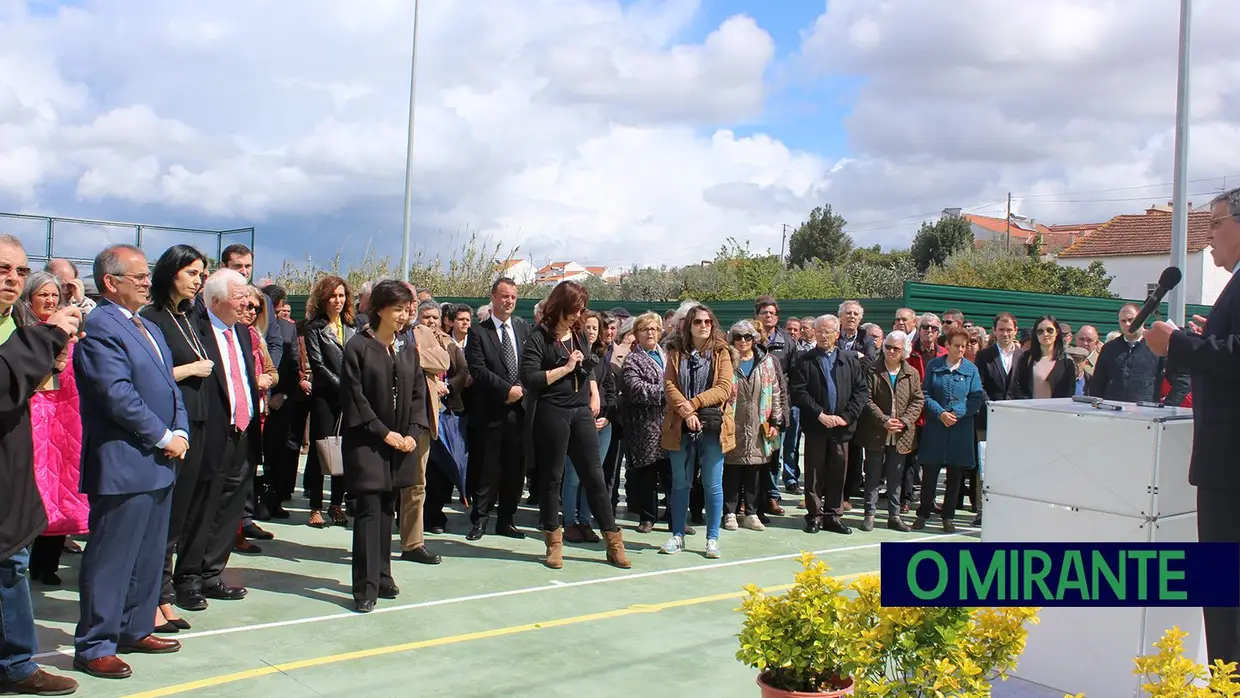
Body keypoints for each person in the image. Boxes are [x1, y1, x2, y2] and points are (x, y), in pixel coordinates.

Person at [73, 244, 189, 679]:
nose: (146, 281)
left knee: (148, 553)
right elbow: (116, 395)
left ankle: (135, 627)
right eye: (138, 276)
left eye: (147, 275)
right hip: (125, 462)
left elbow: (169, 388)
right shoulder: (101, 326)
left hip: (160, 460)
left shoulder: (148, 326)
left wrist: (179, 431)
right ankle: (95, 643)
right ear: (110, 282)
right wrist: (163, 436)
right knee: (112, 558)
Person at [1146, 185, 1240, 668]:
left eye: (1216, 223)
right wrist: (1207, 338)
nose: (1210, 237)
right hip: (1224, 463)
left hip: (1231, 469)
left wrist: (1181, 344)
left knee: (1227, 598)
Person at [0, 234, 82, 696]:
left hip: (14, 465)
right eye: (1, 270)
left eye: (18, 270)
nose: (12, 280)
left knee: (12, 565)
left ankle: (15, 663)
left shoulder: (14, 324)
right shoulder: (27, 331)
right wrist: (50, 336)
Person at [521, 280, 630, 570]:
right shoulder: (538, 337)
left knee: (594, 476)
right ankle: (554, 544)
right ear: (560, 307)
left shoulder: (579, 333)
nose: (578, 314)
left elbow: (589, 366)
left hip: (581, 411)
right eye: (574, 309)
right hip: (551, 411)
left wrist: (593, 390)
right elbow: (529, 378)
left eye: (581, 309)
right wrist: (565, 369)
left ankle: (613, 542)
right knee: (552, 478)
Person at [172, 269, 260, 612]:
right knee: (202, 505)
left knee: (230, 506)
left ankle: (211, 573)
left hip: (243, 431)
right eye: (239, 296)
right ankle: (188, 578)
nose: (247, 302)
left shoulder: (241, 332)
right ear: (216, 300)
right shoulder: (195, 329)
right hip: (210, 432)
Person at [341, 281, 431, 612]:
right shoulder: (358, 347)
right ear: (379, 310)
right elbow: (355, 398)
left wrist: (412, 431)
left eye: (408, 309)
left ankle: (382, 574)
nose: (405, 315)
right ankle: (364, 587)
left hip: (400, 444)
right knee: (368, 512)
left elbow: (418, 392)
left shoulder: (407, 348)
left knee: (386, 510)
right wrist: (383, 433)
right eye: (398, 309)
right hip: (367, 443)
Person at [141, 244, 212, 630]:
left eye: (201, 274)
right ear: (171, 273)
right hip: (168, 428)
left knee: (182, 516)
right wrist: (190, 370)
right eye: (192, 273)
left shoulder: (190, 316)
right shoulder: (151, 318)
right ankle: (153, 598)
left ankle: (165, 595)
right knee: (163, 520)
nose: (198, 280)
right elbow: (151, 374)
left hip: (197, 423)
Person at [22, 272, 88, 587]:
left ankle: (46, 562)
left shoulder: (71, 331)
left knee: (62, 490)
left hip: (66, 419)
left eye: (53, 296)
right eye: (42, 296)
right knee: (36, 488)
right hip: (36, 418)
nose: (49, 301)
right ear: (29, 299)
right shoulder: (25, 334)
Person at [789, 314, 868, 535]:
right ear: (814, 332)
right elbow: (799, 391)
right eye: (820, 331)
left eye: (829, 332)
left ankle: (833, 515)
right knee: (814, 473)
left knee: (837, 472)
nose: (824, 336)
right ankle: (814, 516)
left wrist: (846, 417)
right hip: (816, 426)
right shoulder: (804, 360)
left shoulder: (849, 360)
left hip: (841, 428)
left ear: (837, 334)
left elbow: (861, 392)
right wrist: (820, 415)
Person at [463, 278, 529, 541]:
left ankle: (507, 520)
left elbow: (531, 365)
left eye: (513, 296)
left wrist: (521, 388)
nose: (509, 301)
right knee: (486, 468)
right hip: (491, 411)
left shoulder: (524, 329)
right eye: (504, 296)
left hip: (520, 411)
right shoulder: (479, 332)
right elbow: (478, 370)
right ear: (493, 297)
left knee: (514, 469)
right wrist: (506, 390)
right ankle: (479, 520)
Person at [913, 325, 986, 534]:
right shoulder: (935, 366)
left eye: (964, 346)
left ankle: (948, 515)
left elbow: (976, 397)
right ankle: (923, 512)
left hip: (960, 428)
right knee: (930, 470)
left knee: (955, 473)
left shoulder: (971, 370)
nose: (960, 350)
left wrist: (957, 413)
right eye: (956, 346)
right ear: (947, 345)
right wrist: (940, 413)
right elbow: (925, 393)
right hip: (936, 426)